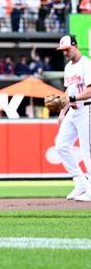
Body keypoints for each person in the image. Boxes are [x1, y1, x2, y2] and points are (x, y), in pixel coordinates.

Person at [54, 35, 91, 201]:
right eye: (62, 50)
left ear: (75, 46)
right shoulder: (68, 67)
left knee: (87, 151)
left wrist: (72, 99)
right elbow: (69, 91)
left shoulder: (86, 64)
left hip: (87, 109)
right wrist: (63, 111)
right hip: (73, 111)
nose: (65, 53)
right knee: (61, 145)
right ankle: (80, 181)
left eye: (67, 49)